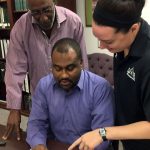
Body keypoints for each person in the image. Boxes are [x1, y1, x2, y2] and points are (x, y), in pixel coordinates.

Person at [68, 0, 150, 150]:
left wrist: (103, 133)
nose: (101, 46)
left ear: (133, 29)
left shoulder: (147, 60)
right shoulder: (124, 44)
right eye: (98, 38)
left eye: (108, 41)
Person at [2, 0, 89, 141]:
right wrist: (14, 108)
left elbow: (82, 64)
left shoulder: (73, 21)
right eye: (35, 13)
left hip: (71, 98)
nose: (43, 17)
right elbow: (14, 69)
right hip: (40, 101)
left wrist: (84, 102)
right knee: (39, 139)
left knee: (73, 141)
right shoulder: (20, 27)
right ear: (28, 8)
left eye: (47, 10)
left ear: (53, 2)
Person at [26, 38, 114, 150]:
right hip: (56, 145)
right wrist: (38, 145)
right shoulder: (44, 85)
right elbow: (37, 123)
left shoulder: (100, 88)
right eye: (57, 69)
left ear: (81, 63)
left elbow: (102, 135)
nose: (64, 75)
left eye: (70, 68)